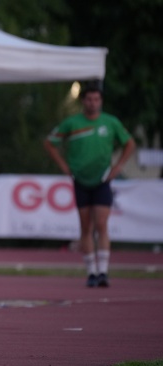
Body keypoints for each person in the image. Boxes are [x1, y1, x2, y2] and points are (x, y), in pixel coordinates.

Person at [44, 83, 135, 288]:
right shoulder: (72, 123)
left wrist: (118, 166)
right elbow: (50, 143)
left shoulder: (110, 122)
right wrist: (64, 166)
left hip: (102, 179)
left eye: (96, 99)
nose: (92, 103)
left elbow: (129, 143)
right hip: (80, 179)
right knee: (86, 227)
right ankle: (91, 272)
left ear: (101, 101)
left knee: (101, 224)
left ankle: (103, 271)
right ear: (83, 101)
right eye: (89, 99)